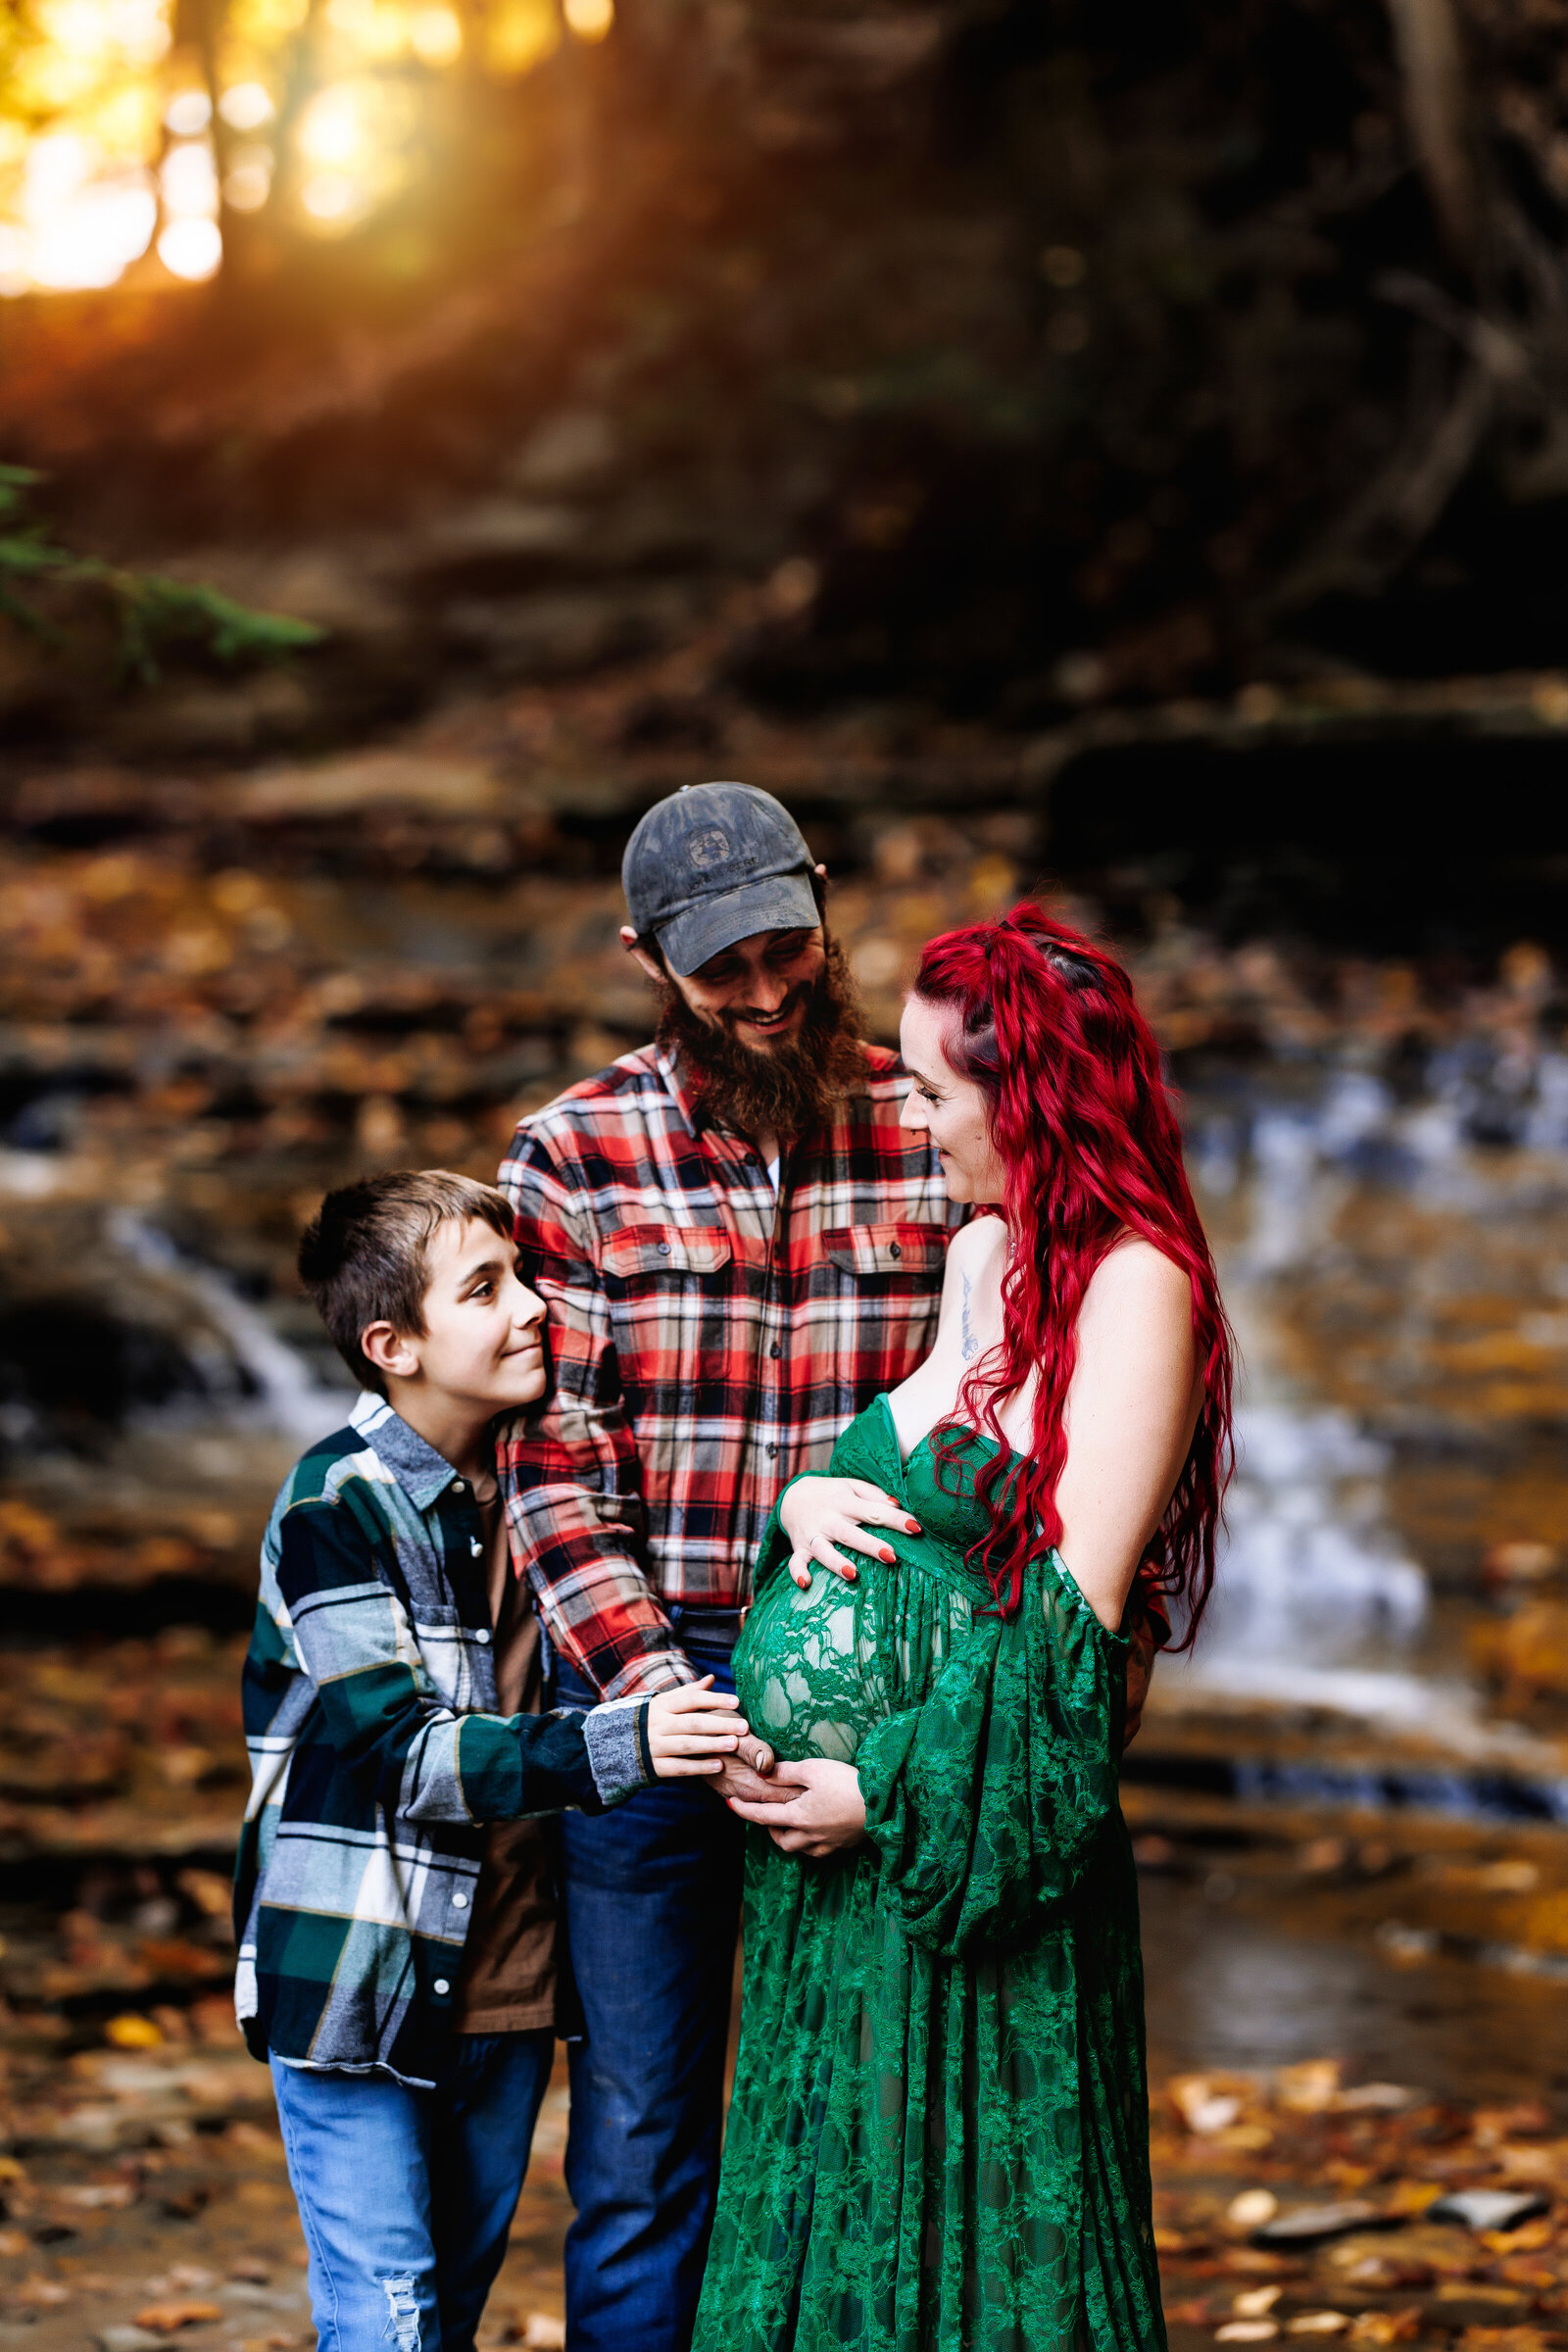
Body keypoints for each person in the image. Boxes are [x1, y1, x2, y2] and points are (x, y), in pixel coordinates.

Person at [695, 905, 1235, 2352]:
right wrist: (811, 1499)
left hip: (972, 1852)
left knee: (986, 2248)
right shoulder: (981, 1253)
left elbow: (1073, 1636)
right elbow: (904, 1478)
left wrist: (874, 1792)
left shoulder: (1138, 1291)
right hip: (837, 1887)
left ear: (1030, 1095)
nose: (911, 1115)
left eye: (935, 1090)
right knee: (835, 2221)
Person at [494, 782, 971, 2352]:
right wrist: (651, 1692)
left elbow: (992, 1407)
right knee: (640, 2138)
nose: (764, 996)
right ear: (647, 961)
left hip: (878, 1672)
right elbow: (551, 1459)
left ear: (825, 909)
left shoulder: (928, 1129)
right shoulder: (571, 1155)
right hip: (652, 1678)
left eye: (787, 951)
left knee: (872, 2108)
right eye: (722, 975)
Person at [232, 1169, 752, 2352]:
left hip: (507, 1982)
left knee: (448, 2311)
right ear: (394, 1345)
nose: (533, 1308)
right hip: (357, 1974)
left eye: (522, 1275)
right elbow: (399, 1755)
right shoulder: (334, 1505)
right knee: (390, 2320)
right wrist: (632, 1740)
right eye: (485, 1289)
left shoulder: (544, 1476)